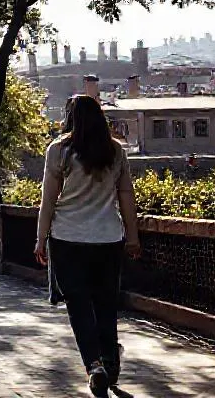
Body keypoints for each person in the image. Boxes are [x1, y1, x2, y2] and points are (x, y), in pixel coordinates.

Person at [35, 95, 141, 397]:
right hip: (108, 239)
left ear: (70, 119)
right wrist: (132, 238)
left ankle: (94, 365)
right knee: (106, 303)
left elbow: (49, 201)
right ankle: (110, 359)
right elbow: (126, 198)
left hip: (67, 240)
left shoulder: (58, 151)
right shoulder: (115, 151)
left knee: (78, 304)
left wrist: (40, 238)